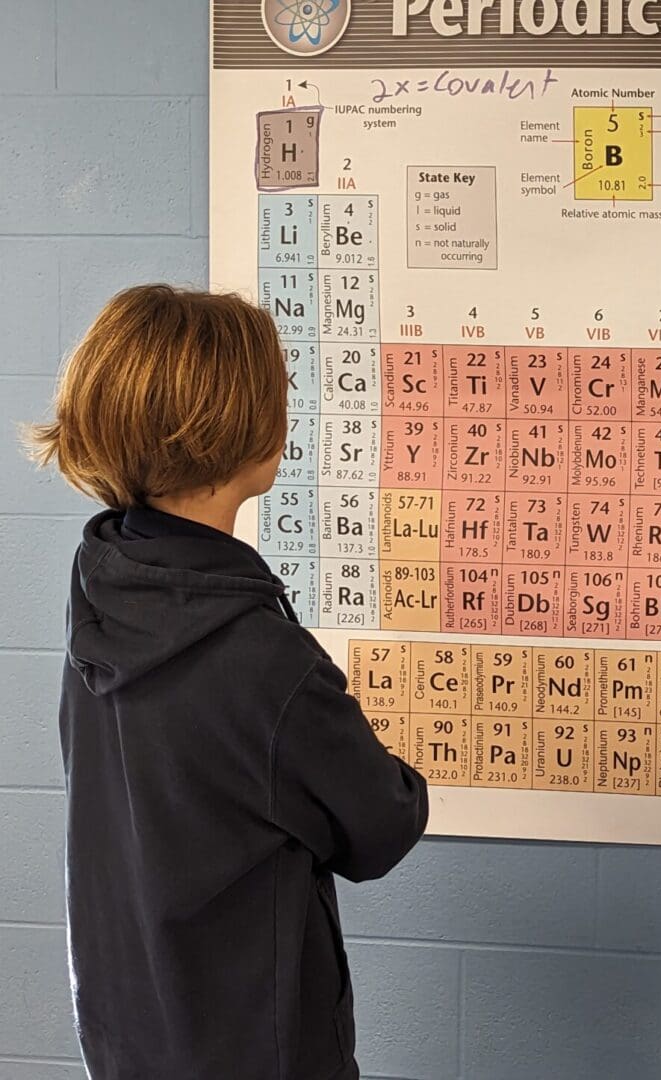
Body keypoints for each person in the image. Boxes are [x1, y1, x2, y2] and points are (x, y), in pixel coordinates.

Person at [28, 285, 428, 1080]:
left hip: (127, 1041)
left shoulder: (101, 591)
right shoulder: (265, 661)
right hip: (259, 1052)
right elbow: (382, 826)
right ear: (238, 428)